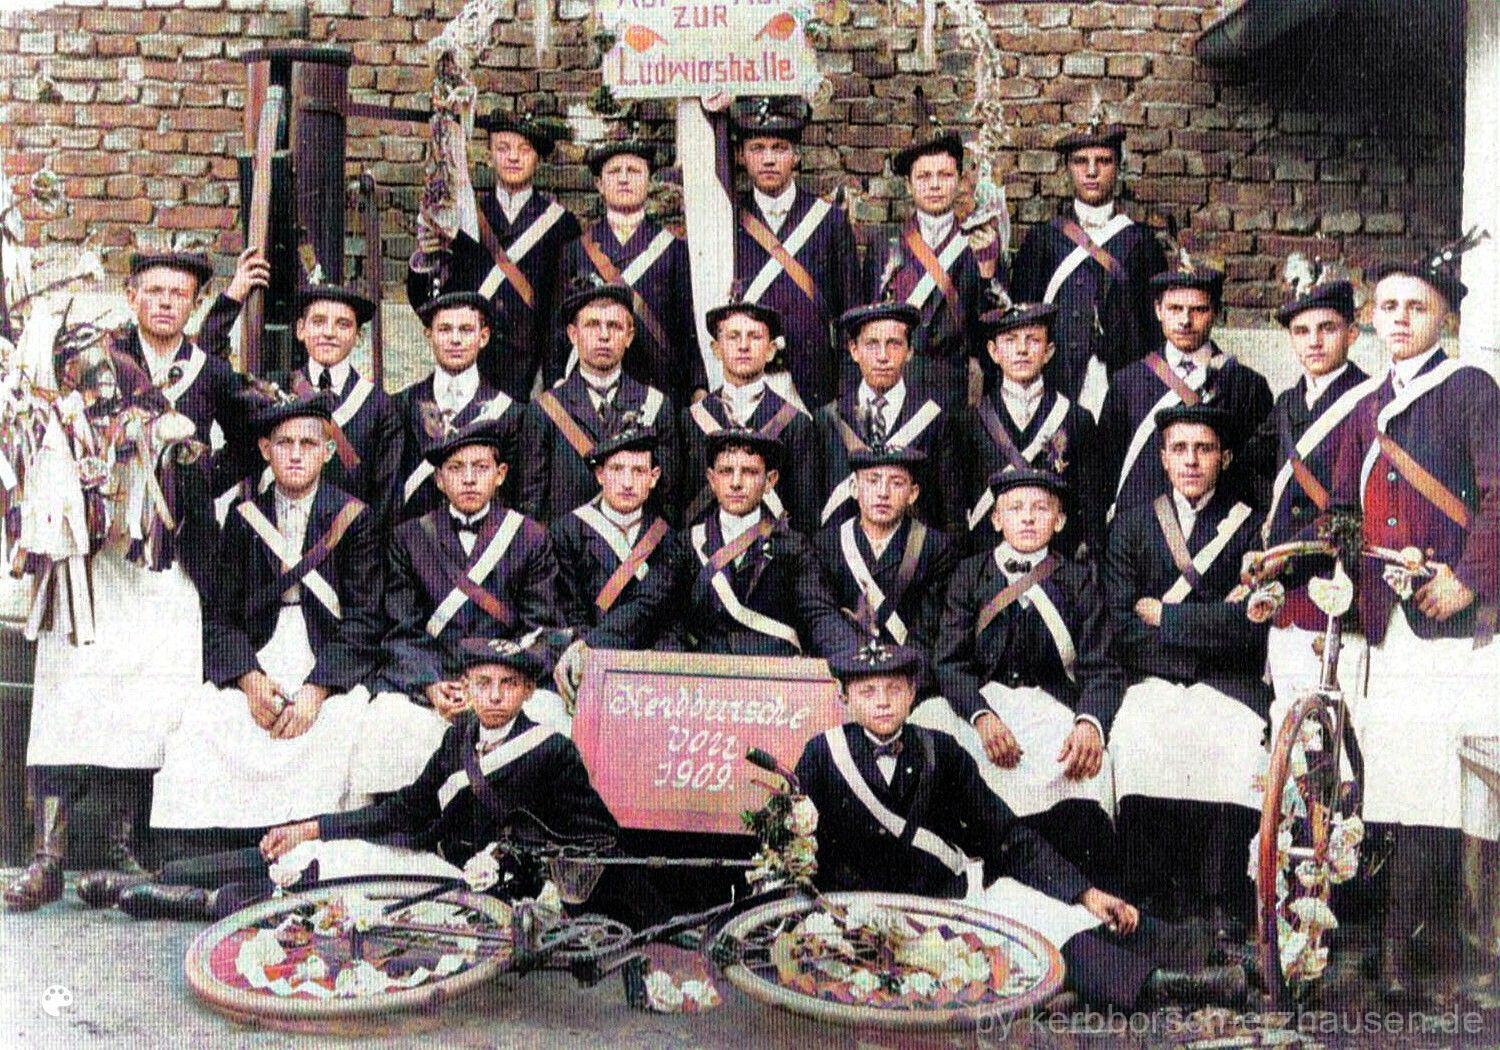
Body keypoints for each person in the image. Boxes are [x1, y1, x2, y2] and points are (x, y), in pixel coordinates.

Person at [796, 641, 1248, 1012]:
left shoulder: (939, 749)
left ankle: (1206, 955)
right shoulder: (822, 755)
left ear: (912, 692)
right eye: (868, 691)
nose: (882, 701)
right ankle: (1161, 987)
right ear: (844, 698)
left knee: (1065, 913)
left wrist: (1084, 892)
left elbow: (1005, 835)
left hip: (955, 898)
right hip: (873, 919)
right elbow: (800, 849)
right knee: (1045, 936)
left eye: (894, 688)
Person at [7, 251, 255, 912]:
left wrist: (197, 479)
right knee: (68, 692)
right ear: (132, 295)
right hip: (94, 561)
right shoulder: (94, 358)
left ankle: (123, 847)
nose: (166, 303)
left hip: (170, 560)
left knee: (152, 698)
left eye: (179, 293)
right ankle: (48, 857)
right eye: (155, 291)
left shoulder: (210, 373)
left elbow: (251, 438)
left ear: (193, 303)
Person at [89, 637, 636, 926]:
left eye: (508, 684)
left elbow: (598, 837)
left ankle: (184, 901)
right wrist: (311, 826)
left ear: (527, 692)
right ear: (466, 688)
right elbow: (404, 809)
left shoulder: (551, 750)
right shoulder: (460, 737)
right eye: (483, 683)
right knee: (306, 850)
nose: (494, 695)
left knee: (324, 879)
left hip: (473, 888)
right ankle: (164, 876)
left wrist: (522, 865)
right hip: (426, 855)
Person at [1322, 250, 1500, 998]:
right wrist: (1346, 567)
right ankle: (1397, 951)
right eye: (1388, 306)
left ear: (1444, 319)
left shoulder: (1472, 389)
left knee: (1457, 784)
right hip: (1388, 623)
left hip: (1455, 623)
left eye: (1417, 307)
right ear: (1371, 317)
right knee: (1395, 779)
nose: (1399, 319)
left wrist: (1468, 580)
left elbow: (1498, 494)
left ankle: (1454, 953)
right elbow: (1340, 506)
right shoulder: (1367, 405)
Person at [148, 398, 383, 857]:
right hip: (261, 650)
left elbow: (365, 619)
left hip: (326, 652)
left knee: (342, 722)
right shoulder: (243, 518)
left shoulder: (355, 518)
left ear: (327, 452)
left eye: (308, 444)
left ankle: (313, 847)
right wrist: (249, 679)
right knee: (207, 718)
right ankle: (216, 852)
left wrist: (318, 690)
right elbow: (220, 614)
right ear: (265, 450)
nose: (295, 454)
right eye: (283, 443)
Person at [1103, 405, 1268, 933]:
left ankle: (1221, 897)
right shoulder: (1132, 525)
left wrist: (1167, 616)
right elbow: (1121, 625)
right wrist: (1207, 630)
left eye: (1204, 449)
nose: (1192, 461)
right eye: (1179, 449)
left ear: (1225, 457)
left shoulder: (1251, 527)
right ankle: (1149, 895)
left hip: (1227, 682)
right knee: (1136, 736)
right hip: (1153, 675)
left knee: (1237, 741)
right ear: (1163, 458)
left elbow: (1251, 627)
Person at [922, 470, 1123, 886]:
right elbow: (949, 662)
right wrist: (980, 715)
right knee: (928, 726)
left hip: (1051, 708)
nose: (1028, 518)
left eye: (1040, 508)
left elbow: (1102, 667)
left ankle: (1070, 887)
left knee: (1089, 764)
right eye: (1015, 509)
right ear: (996, 519)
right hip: (983, 706)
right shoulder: (970, 574)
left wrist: (1089, 722)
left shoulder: (1079, 579)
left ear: (1059, 521)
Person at [351, 423, 571, 797]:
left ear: (500, 474)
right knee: (387, 723)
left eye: (480, 467)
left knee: (550, 721)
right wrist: (431, 684)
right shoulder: (409, 538)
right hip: (436, 681)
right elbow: (401, 629)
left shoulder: (531, 537)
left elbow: (542, 629)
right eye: (455, 468)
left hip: (504, 682)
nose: (469, 479)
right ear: (438, 479)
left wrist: (492, 683)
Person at [1243, 271, 1377, 724]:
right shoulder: (1286, 404)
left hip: (1341, 587)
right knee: (1291, 721)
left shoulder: (1371, 400)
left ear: (1352, 333)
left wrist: (1287, 550)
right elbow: (1252, 472)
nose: (1314, 341)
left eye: (1327, 328)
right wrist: (1267, 533)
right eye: (1301, 331)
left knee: (1341, 727)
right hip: (1287, 595)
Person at [407, 108, 580, 399]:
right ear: (489, 155)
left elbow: (562, 313)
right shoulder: (463, 219)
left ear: (537, 158)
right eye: (503, 148)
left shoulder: (561, 225)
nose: (513, 157)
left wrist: (552, 380)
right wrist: (426, 257)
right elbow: (428, 301)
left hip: (531, 373)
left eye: (524, 149)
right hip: (472, 367)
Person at [1008, 116, 1166, 415]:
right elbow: (1020, 323)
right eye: (1081, 161)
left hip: (1124, 387)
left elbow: (1157, 330)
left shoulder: (1143, 243)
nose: (1092, 171)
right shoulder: (1042, 241)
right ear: (1067, 168)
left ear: (1118, 167)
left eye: (1103, 161)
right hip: (1057, 385)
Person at [1097, 256, 1272, 525]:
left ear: (1216, 312)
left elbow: (1257, 477)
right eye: (1175, 308)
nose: (1185, 320)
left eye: (1198, 310)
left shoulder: (1247, 386)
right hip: (1140, 535)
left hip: (1216, 534)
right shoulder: (1127, 383)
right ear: (1158, 310)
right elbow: (1104, 473)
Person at [234, 286, 404, 537]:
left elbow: (386, 498)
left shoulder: (379, 406)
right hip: (277, 539)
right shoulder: (273, 390)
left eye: (343, 324)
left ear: (358, 336)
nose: (329, 333)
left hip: (350, 545)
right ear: (300, 329)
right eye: (318, 321)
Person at [729, 96, 861, 408]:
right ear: (741, 156)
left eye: (779, 148)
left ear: (796, 155)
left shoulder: (829, 221)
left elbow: (851, 313)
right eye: (757, 148)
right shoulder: (727, 221)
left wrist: (848, 389)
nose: (769, 159)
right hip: (747, 382)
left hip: (816, 384)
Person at [680, 429, 859, 658]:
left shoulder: (794, 547)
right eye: (726, 471)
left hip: (773, 672)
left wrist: (851, 660)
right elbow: (668, 620)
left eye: (749, 472)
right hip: (708, 673)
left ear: (770, 481)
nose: (736, 483)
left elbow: (819, 615)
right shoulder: (688, 544)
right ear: (712, 479)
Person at [556, 133, 706, 404]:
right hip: (591, 392)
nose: (624, 179)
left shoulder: (672, 249)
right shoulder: (576, 250)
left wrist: (698, 386)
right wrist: (557, 383)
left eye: (634, 171)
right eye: (615, 171)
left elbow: (687, 327)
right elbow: (559, 332)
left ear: (649, 180)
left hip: (659, 387)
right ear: (599, 184)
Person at [518, 282, 679, 523]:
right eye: (593, 325)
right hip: (567, 546)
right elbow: (532, 511)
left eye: (614, 326)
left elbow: (667, 506)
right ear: (573, 334)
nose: (604, 336)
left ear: (629, 336)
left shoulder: (656, 406)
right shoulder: (545, 410)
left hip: (635, 545)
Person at [550, 425, 692, 698]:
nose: (627, 483)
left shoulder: (668, 539)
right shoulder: (566, 532)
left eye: (638, 471)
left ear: (653, 477)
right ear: (600, 475)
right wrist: (589, 656)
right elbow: (569, 610)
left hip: (651, 672)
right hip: (588, 666)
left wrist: (659, 668)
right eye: (617, 469)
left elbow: (667, 617)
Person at [954, 300, 1104, 559]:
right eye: (1010, 340)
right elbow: (958, 506)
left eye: (1033, 340)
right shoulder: (970, 420)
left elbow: (1091, 507)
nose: (1022, 349)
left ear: (1048, 351)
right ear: (993, 352)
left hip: (1057, 563)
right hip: (988, 564)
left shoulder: (1077, 419)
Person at [860, 125, 997, 409]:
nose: (935, 185)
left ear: (959, 180)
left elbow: (994, 330)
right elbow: (866, 328)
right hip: (898, 388)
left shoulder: (980, 243)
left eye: (945, 175)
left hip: (956, 391)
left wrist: (987, 273)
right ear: (908, 185)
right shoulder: (884, 244)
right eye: (924, 176)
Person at [812, 444, 958, 691]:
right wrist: (858, 671)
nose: (883, 493)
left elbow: (930, 630)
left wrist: (904, 684)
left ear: (913, 493)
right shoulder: (826, 544)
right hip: (845, 676)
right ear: (854, 488)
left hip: (910, 681)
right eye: (873, 480)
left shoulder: (935, 547)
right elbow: (822, 619)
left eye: (897, 483)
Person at [814, 302, 958, 532]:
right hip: (842, 550)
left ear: (909, 351)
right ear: (854, 350)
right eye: (872, 344)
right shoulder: (828, 418)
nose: (883, 356)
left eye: (894, 344)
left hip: (913, 551)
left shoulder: (935, 418)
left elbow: (951, 513)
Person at [679, 299, 820, 532]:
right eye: (733, 337)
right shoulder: (690, 420)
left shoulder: (795, 423)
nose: (743, 346)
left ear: (771, 350)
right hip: (704, 551)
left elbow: (805, 517)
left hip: (772, 550)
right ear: (716, 349)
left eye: (755, 337)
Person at [393, 291, 525, 524]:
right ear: (429, 335)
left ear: (483, 337)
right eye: (445, 329)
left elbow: (517, 496)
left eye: (465, 330)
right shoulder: (401, 405)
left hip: (486, 540)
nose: (455, 340)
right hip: (418, 540)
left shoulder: (511, 412)